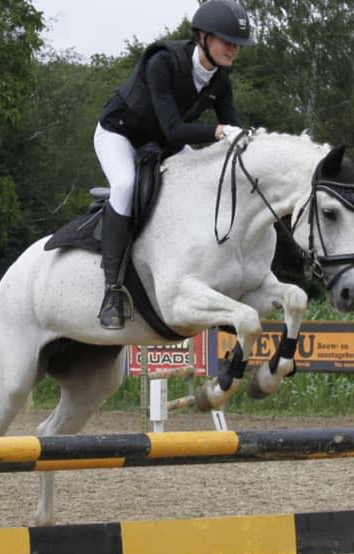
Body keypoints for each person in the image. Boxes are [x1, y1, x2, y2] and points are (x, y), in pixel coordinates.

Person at [93, 0, 255, 330]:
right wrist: (220, 131)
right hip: (120, 133)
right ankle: (112, 290)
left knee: (202, 183)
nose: (234, 50)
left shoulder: (220, 82)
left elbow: (234, 127)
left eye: (237, 45)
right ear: (204, 37)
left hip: (162, 144)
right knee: (124, 185)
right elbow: (174, 129)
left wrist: (252, 143)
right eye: (228, 41)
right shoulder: (163, 62)